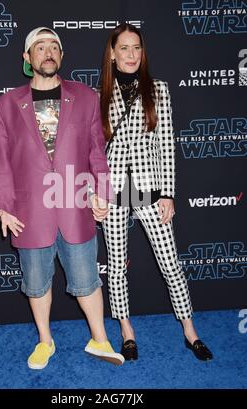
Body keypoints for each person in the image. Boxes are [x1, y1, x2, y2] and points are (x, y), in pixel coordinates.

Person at [0, 27, 124, 369]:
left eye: (54, 47)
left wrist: (103, 193)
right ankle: (45, 342)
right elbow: (0, 160)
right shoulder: (5, 105)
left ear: (61, 56)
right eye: (40, 47)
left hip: (75, 204)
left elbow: (96, 153)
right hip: (29, 211)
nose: (48, 53)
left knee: (87, 280)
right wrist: (3, 206)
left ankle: (100, 339)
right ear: (27, 58)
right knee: (36, 284)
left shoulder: (86, 97)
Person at [100, 23, 213, 362]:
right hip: (114, 192)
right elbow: (93, 149)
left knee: (170, 264)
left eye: (137, 48)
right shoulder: (98, 94)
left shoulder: (159, 89)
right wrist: (98, 191)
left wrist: (168, 193)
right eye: (124, 48)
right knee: (116, 266)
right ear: (112, 53)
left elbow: (166, 145)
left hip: (152, 191)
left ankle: (190, 331)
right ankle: (126, 331)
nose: (131, 54)